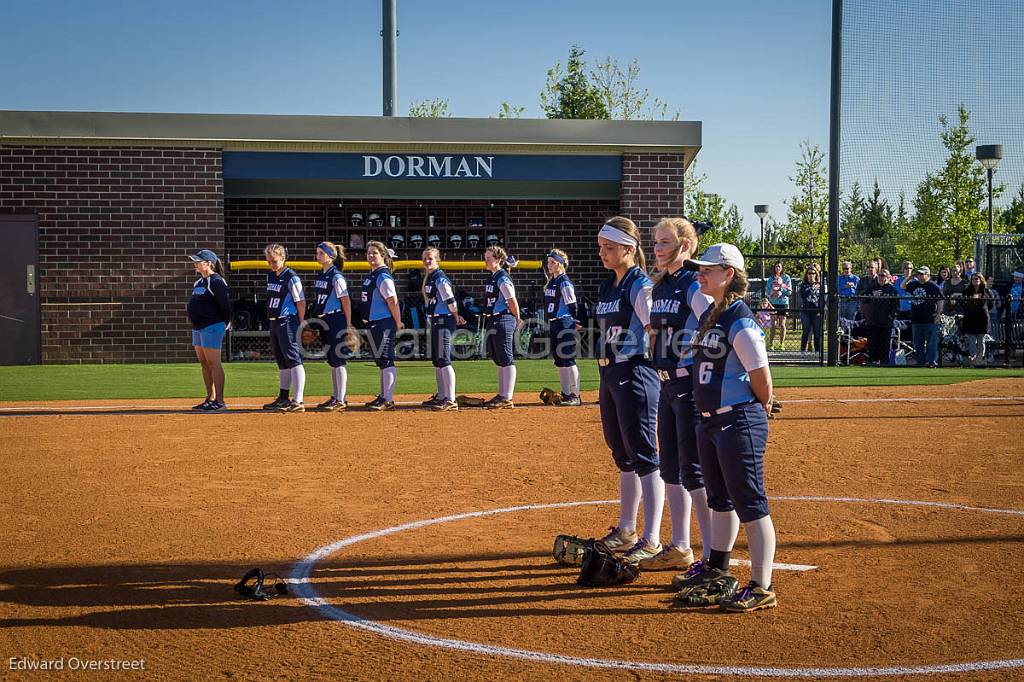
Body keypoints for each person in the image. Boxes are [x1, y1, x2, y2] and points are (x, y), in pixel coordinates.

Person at [672, 243, 778, 613]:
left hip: (737, 419)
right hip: (711, 420)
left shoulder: (740, 319)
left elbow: (760, 376)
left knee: (751, 502)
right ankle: (718, 569)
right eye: (700, 268)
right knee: (720, 499)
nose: (700, 273)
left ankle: (762, 586)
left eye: (708, 269)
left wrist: (762, 404)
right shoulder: (713, 315)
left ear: (728, 274)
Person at [640, 217, 714, 571]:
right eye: (655, 242)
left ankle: (713, 555)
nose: (657, 248)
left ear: (686, 245)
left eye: (665, 242)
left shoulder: (691, 284)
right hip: (667, 383)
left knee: (694, 470)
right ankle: (681, 546)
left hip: (688, 384)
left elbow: (713, 325)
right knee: (671, 468)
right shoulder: (664, 284)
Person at [593, 216, 664, 565]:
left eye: (609, 248)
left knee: (644, 455)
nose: (602, 253)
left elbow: (654, 331)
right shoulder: (610, 285)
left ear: (629, 249)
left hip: (635, 371)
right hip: (609, 373)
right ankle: (626, 529)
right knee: (621, 453)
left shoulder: (640, 285)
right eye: (602, 247)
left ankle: (652, 538)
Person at [262, 244, 307, 412]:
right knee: (281, 360)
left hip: (288, 320)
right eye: (269, 262)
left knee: (293, 358)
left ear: (283, 258)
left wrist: (301, 323)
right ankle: (283, 397)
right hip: (274, 321)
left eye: (274, 261)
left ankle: (298, 400)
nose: (271, 265)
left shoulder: (291, 277)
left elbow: (301, 302)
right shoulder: (271, 276)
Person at [186, 249, 232, 412]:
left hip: (212, 326)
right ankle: (209, 398)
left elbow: (225, 305)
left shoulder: (217, 281)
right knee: (204, 363)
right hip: (198, 327)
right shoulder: (199, 283)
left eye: (198, 261)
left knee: (214, 363)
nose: (195, 264)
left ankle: (219, 401)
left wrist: (227, 321)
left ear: (208, 263)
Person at [310, 241, 354, 411]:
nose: (318, 256)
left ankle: (341, 399)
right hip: (325, 320)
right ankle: (336, 397)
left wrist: (348, 325)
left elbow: (346, 301)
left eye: (321, 253)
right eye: (318, 252)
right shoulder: (322, 275)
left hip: (336, 319)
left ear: (330, 256)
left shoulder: (336, 276)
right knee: (332, 360)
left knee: (338, 359)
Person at [361, 241, 404, 410]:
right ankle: (383, 396)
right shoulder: (374, 274)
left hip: (384, 322)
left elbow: (392, 301)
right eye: (369, 253)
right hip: (375, 322)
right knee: (381, 361)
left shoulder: (383, 275)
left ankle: (388, 399)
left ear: (383, 256)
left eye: (375, 253)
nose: (371, 256)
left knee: (386, 359)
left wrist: (398, 321)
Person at [421, 247, 465, 411]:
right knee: (438, 360)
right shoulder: (431, 277)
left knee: (444, 359)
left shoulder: (439, 277)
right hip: (436, 319)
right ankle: (441, 395)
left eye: (430, 258)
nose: (426, 261)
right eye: (425, 258)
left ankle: (450, 399)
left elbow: (450, 300)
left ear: (437, 260)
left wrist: (455, 316)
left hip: (444, 319)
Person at [482, 245, 521, 409]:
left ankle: (507, 396)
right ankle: (502, 393)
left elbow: (511, 300)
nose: (486, 261)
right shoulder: (494, 276)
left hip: (504, 318)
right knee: (499, 359)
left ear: (498, 260)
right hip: (494, 319)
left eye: (489, 258)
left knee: (506, 358)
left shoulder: (502, 277)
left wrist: (517, 318)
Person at [542, 249, 582, 406]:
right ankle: (565, 393)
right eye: (548, 262)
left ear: (560, 264)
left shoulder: (564, 281)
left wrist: (575, 321)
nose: (549, 265)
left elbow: (572, 304)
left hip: (564, 322)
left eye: (552, 262)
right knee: (559, 360)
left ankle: (575, 394)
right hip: (554, 323)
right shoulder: (552, 281)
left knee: (568, 359)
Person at [905, 266, 943, 368]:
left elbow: (940, 301)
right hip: (916, 318)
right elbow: (903, 286)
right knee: (918, 343)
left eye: (922, 274)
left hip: (930, 318)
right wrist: (909, 277)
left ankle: (931, 362)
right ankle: (920, 361)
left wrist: (938, 315)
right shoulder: (913, 284)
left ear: (928, 275)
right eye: (919, 274)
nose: (920, 276)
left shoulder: (933, 286)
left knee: (931, 343)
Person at [860, 269, 899, 366]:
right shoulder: (871, 288)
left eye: (883, 276)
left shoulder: (892, 289)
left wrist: (891, 316)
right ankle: (873, 360)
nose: (881, 278)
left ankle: (884, 362)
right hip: (873, 320)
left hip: (886, 321)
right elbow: (864, 301)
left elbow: (896, 306)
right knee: (872, 342)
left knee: (885, 343)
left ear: (888, 277)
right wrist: (866, 315)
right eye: (880, 275)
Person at [960, 273, 991, 367]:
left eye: (977, 279)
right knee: (972, 340)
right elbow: (963, 303)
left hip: (982, 318)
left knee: (981, 340)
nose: (975, 280)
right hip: (970, 318)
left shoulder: (986, 291)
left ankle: (980, 358)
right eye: (973, 279)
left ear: (981, 280)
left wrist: (983, 309)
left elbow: (990, 304)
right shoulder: (966, 291)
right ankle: (973, 359)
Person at [763, 261, 792, 350]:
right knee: (773, 324)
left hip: (783, 303)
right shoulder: (771, 279)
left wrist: (781, 290)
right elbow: (767, 292)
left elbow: (789, 292)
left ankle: (781, 344)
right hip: (773, 303)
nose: (778, 268)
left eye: (779, 267)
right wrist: (772, 293)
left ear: (782, 268)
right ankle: (771, 344)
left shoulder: (786, 278)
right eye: (776, 267)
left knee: (782, 324)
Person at [798, 266, 822, 353]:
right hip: (806, 311)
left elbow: (822, 299)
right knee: (806, 331)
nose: (811, 275)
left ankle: (817, 351)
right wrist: (811, 287)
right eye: (809, 273)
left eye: (813, 273)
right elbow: (803, 295)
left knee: (817, 332)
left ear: (816, 274)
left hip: (816, 311)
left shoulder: (820, 285)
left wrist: (821, 310)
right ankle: (803, 350)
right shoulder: (803, 285)